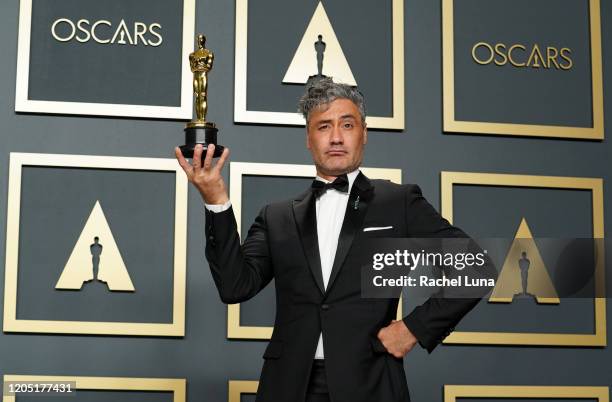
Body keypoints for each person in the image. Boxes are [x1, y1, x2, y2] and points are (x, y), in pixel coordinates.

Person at [175, 78, 494, 402]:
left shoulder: (398, 202)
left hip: (372, 384)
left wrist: (413, 328)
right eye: (324, 126)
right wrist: (216, 200)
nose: (337, 137)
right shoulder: (277, 217)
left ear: (364, 134)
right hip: (288, 387)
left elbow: (477, 267)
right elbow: (235, 287)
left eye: (347, 124)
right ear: (309, 140)